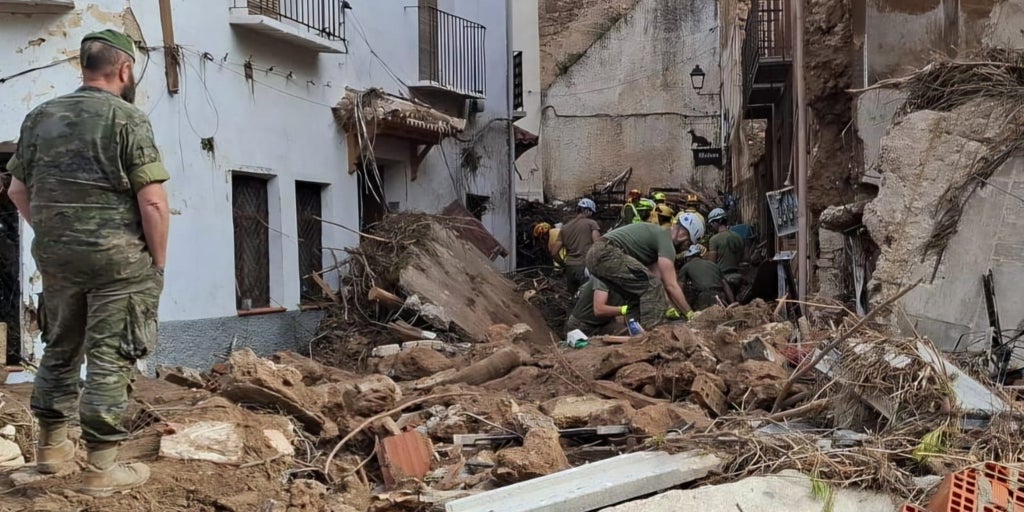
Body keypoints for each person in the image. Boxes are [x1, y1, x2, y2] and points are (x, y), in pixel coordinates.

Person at [5, 30, 170, 496]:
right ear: (125, 70)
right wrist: (156, 263)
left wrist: (55, 235)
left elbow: (17, 190)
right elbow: (153, 202)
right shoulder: (127, 119)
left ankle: (51, 452)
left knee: (59, 349)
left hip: (58, 260)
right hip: (117, 264)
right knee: (109, 359)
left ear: (84, 66)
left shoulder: (39, 117)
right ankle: (100, 469)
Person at [585, 213, 705, 328]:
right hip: (606, 252)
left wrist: (669, 307)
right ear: (683, 234)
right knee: (651, 286)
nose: (686, 248)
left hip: (597, 254)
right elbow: (671, 285)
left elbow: (657, 278)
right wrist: (690, 313)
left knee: (636, 296)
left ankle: (636, 333)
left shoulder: (657, 243)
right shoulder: (665, 239)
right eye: (688, 243)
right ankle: (652, 331)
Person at [551, 198, 601, 295]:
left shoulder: (565, 227)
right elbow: (598, 245)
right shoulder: (591, 224)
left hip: (570, 268)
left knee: (573, 297)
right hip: (585, 267)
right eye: (591, 212)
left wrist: (563, 265)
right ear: (587, 211)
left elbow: (554, 252)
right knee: (586, 298)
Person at [678, 244, 734, 310]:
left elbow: (680, 288)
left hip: (704, 297)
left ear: (688, 257)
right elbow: (726, 286)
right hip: (720, 295)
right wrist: (732, 303)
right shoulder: (713, 265)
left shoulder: (686, 266)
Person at [706, 208, 745, 287]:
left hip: (723, 278)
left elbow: (711, 264)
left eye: (711, 224)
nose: (712, 226)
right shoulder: (738, 236)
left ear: (715, 223)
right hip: (738, 275)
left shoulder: (714, 239)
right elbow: (743, 257)